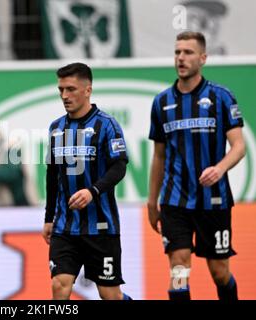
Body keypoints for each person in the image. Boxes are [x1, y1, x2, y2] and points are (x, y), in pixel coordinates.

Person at [147, 31, 246, 300]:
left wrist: (220, 168)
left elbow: (239, 146)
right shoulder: (161, 102)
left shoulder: (222, 97)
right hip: (174, 201)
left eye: (188, 52)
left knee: (219, 272)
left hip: (213, 200)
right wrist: (151, 201)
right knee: (179, 269)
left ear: (203, 58)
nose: (181, 57)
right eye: (178, 52)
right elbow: (159, 156)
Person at [42, 62, 132, 300]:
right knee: (59, 286)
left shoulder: (107, 125)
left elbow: (119, 166)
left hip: (101, 226)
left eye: (70, 89)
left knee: (109, 294)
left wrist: (92, 191)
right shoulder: (56, 128)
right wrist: (49, 218)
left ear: (87, 90)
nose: (64, 95)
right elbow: (52, 175)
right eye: (61, 89)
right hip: (65, 227)